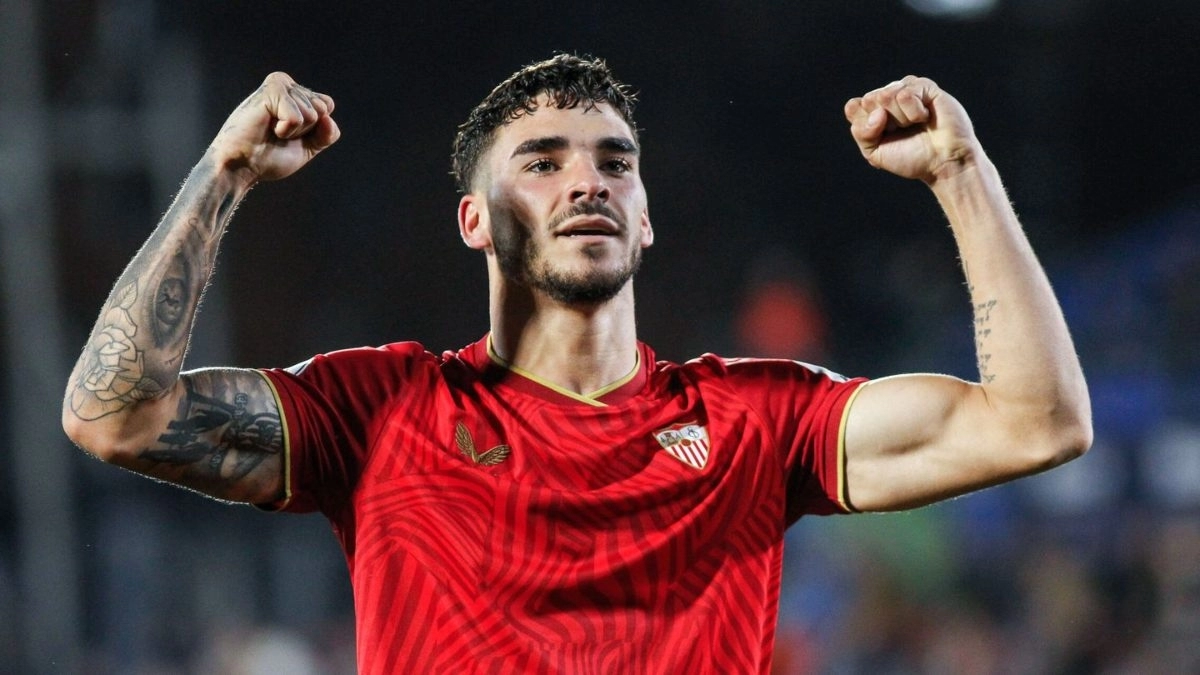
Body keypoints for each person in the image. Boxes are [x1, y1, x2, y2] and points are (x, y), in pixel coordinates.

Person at [63, 54, 1091, 673]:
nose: (585, 181)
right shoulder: (382, 409)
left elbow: (1036, 420)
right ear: (475, 219)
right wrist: (224, 170)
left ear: (646, 221)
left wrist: (961, 172)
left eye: (614, 163)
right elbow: (116, 416)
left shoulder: (753, 423)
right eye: (542, 162)